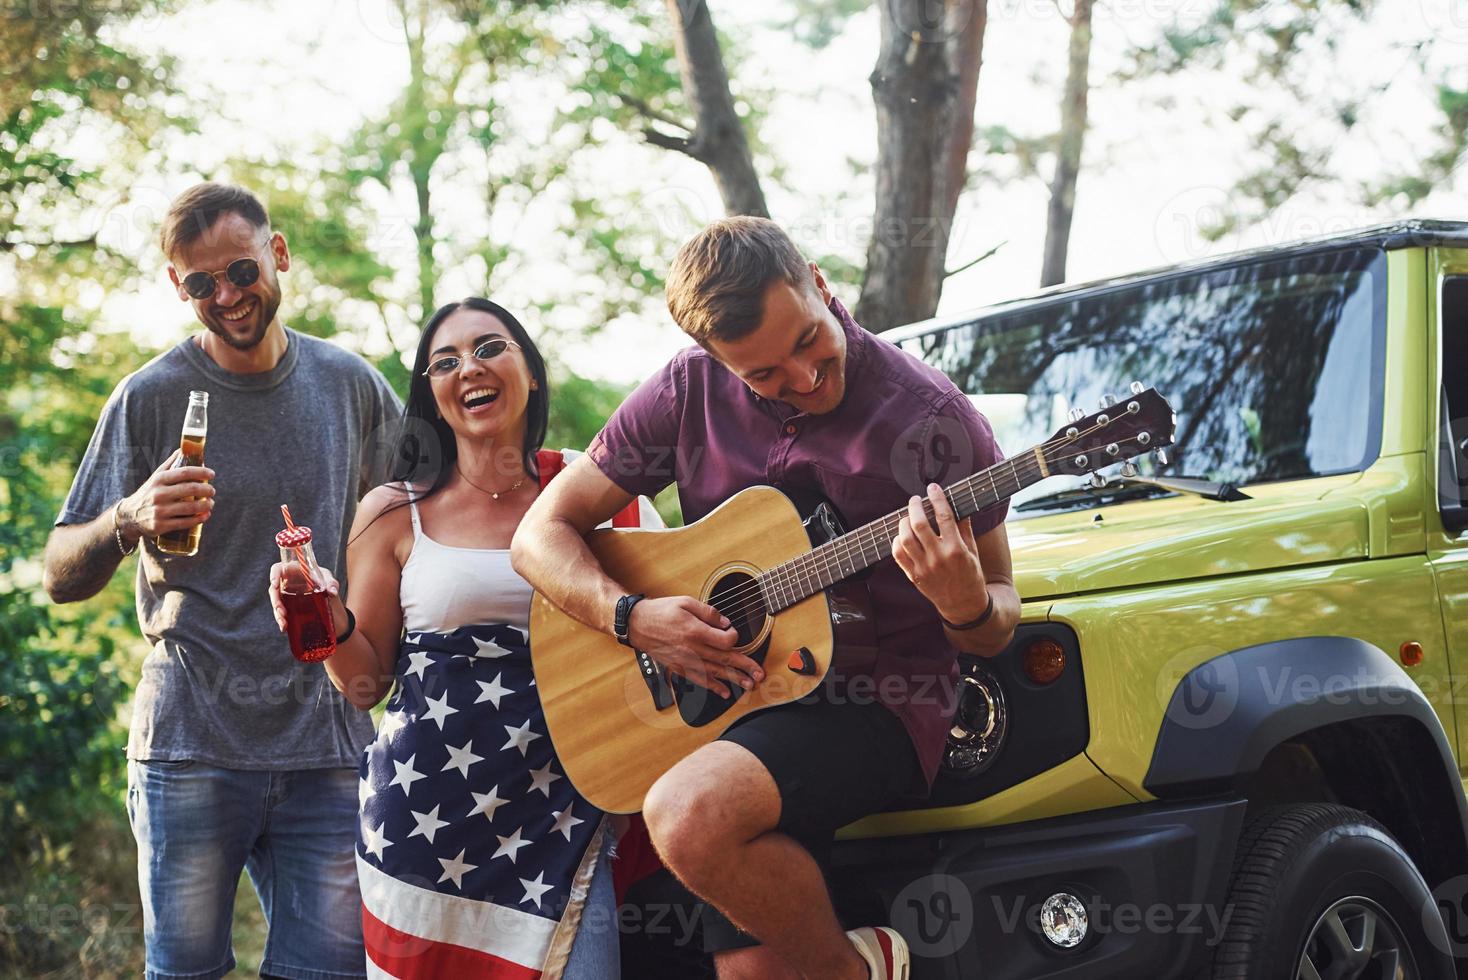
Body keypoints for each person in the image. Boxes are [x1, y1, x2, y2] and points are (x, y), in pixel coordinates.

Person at [511, 216, 1021, 980]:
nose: (807, 378)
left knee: (687, 816)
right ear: (716, 360)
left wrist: (965, 605)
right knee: (753, 971)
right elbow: (538, 534)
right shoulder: (687, 391)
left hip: (875, 702)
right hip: (736, 697)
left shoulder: (933, 421)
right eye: (765, 375)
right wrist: (634, 618)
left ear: (818, 282)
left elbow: (997, 619)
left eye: (809, 342)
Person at [42, 182, 402, 980]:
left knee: (334, 975)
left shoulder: (352, 385)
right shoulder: (150, 396)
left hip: (330, 743)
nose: (227, 296)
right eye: (200, 283)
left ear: (277, 254)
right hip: (191, 742)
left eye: (240, 270)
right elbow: (61, 572)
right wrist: (126, 519)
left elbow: (423, 524)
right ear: (179, 288)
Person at [269, 297, 646, 978]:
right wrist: (324, 619)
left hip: (570, 818)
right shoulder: (391, 511)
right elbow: (365, 685)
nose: (468, 368)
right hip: (423, 826)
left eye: (489, 347)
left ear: (530, 370)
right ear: (433, 397)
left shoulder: (605, 496)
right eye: (444, 361)